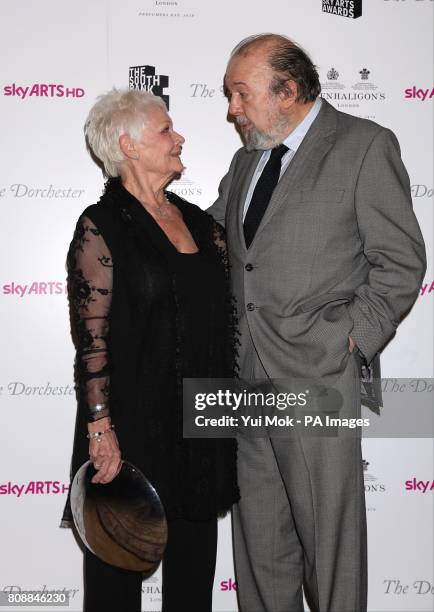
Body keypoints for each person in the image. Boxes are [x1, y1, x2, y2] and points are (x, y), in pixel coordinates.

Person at [208, 33, 426, 612]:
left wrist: (350, 339)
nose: (231, 109)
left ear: (289, 89)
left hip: (317, 380)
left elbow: (402, 261)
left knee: (331, 555)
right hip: (246, 382)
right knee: (260, 554)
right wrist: (145, 206)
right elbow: (218, 243)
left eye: (240, 93)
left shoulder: (362, 145)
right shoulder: (246, 158)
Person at [61, 88, 239, 612]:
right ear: (129, 146)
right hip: (129, 432)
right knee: (115, 586)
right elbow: (90, 341)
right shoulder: (102, 225)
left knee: (193, 587)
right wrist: (100, 427)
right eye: (165, 129)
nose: (179, 137)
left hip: (201, 429)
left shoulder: (204, 226)